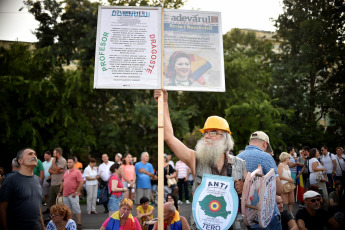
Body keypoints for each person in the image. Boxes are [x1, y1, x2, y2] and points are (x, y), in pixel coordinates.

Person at [154, 90, 246, 229]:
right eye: (205, 133)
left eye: (213, 132)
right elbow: (169, 137)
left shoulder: (240, 164)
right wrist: (164, 103)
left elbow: (253, 200)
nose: (207, 136)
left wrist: (244, 189)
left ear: (226, 137)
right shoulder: (195, 159)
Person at [237, 131, 283, 230]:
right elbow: (279, 190)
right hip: (266, 216)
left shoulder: (237, 158)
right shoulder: (266, 157)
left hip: (246, 217)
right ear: (265, 143)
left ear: (250, 142)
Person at [0, 148, 45, 230]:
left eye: (35, 154)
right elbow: (2, 207)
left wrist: (43, 226)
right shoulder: (10, 180)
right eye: (30, 154)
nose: (34, 156)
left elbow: (39, 206)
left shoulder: (38, 180)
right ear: (20, 161)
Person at [58, 156, 83, 229]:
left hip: (73, 194)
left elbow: (81, 182)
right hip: (65, 194)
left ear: (74, 163)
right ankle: (70, 224)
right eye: (67, 162)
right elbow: (63, 182)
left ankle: (79, 223)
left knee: (76, 209)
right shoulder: (65, 172)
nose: (68, 164)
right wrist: (60, 192)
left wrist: (76, 192)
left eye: (70, 162)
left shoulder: (77, 172)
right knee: (68, 210)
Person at [47, 147, 67, 214]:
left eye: (54, 153)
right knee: (51, 201)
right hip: (53, 183)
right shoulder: (55, 160)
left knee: (59, 201)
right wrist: (56, 172)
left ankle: (61, 215)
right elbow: (49, 170)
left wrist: (53, 164)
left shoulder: (62, 160)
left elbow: (58, 169)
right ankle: (52, 215)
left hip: (59, 183)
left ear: (58, 153)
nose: (53, 154)